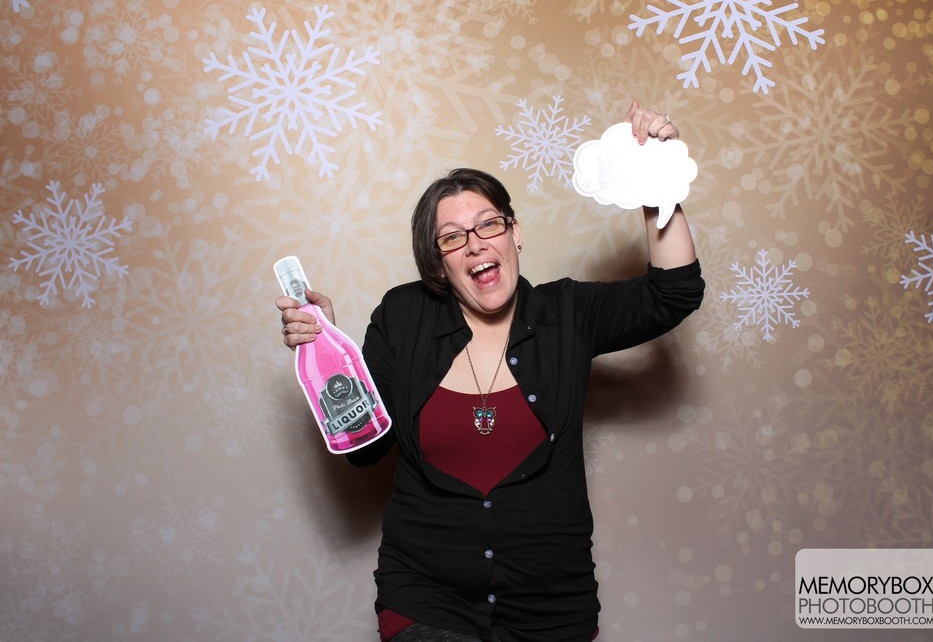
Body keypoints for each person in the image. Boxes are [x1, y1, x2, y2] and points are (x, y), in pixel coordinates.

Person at [276, 101, 705, 642]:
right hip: (427, 602)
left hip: (552, 611)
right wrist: (332, 358)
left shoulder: (567, 315)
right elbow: (365, 451)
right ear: (437, 263)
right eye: (452, 237)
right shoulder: (403, 316)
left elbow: (674, 293)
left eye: (489, 224)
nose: (476, 243)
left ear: (514, 233)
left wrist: (655, 177)